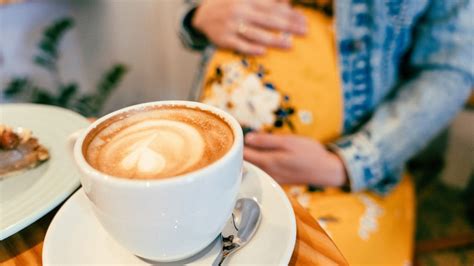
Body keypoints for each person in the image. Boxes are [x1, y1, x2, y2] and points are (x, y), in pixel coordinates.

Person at [179, 0, 473, 264]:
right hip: (204, 156)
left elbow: (448, 69)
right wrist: (198, 17)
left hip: (338, 178)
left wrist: (348, 164)